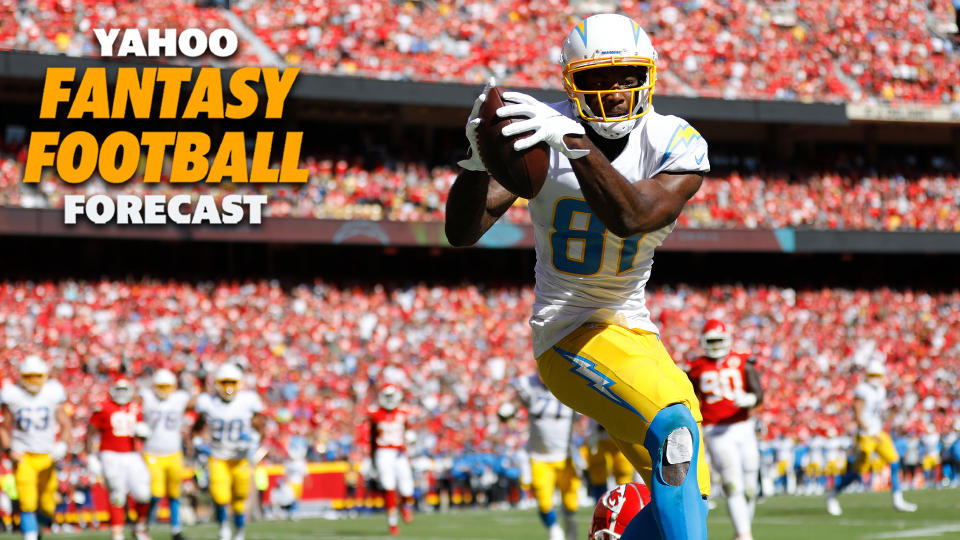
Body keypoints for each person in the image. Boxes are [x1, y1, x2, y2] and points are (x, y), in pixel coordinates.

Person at [446, 13, 711, 540]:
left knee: (690, 487)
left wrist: (573, 142)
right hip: (567, 330)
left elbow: (633, 215)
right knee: (675, 429)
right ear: (572, 83)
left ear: (649, 77)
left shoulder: (674, 141)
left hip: (633, 327)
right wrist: (477, 166)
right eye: (597, 79)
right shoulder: (545, 135)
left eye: (627, 77)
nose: (615, 92)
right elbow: (463, 231)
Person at [685, 319, 763, 540]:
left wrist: (749, 399)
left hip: (744, 428)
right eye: (712, 340)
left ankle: (743, 531)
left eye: (719, 339)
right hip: (716, 431)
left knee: (749, 488)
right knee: (732, 482)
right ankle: (743, 534)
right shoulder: (697, 367)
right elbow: (688, 396)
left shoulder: (742, 361)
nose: (716, 344)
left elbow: (759, 392)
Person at [825, 361, 917, 515]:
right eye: (872, 375)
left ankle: (897, 499)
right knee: (859, 472)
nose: (875, 378)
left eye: (877, 375)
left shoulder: (880, 390)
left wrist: (893, 412)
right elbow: (858, 413)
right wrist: (870, 432)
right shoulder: (862, 389)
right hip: (866, 435)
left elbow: (880, 416)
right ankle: (833, 494)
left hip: (878, 432)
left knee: (894, 461)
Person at [0, 356, 72, 540]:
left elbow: (65, 424)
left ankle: (37, 527)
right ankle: (30, 536)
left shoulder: (52, 393)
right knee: (27, 501)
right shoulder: (13, 395)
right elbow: (3, 426)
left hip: (47, 455)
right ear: (22, 376)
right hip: (23, 455)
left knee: (48, 505)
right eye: (29, 376)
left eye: (37, 376)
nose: (33, 381)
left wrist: (63, 445)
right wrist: (9, 450)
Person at [502, 373, 581, 540]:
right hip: (540, 457)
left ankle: (568, 520)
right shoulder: (530, 385)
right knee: (544, 502)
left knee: (571, 503)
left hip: (565, 456)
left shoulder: (570, 385)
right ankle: (553, 529)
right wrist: (508, 411)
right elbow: (514, 404)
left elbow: (582, 415)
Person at [192, 363, 266, 540]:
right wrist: (197, 439)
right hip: (218, 455)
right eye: (224, 382)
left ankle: (239, 532)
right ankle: (224, 526)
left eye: (232, 382)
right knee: (220, 495)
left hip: (239, 457)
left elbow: (259, 425)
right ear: (217, 383)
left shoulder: (247, 401)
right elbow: (199, 424)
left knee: (240, 498)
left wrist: (255, 440)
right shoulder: (208, 402)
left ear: (239, 383)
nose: (228, 387)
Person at [86, 377, 153, 540]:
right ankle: (118, 534)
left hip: (132, 454)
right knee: (117, 494)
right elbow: (90, 432)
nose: (122, 394)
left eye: (125, 390)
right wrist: (90, 456)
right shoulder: (103, 407)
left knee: (144, 494)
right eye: (119, 390)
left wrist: (143, 433)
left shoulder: (135, 407)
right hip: (110, 454)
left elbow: (141, 434)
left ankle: (140, 529)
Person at [141, 369, 195, 540]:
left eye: (167, 386)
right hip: (152, 453)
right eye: (161, 386)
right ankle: (144, 526)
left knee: (174, 493)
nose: (164, 390)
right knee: (154, 493)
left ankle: (176, 528)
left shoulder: (179, 398)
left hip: (174, 453)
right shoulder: (147, 397)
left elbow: (197, 402)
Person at [368, 383, 414, 536]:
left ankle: (406, 506)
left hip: (399, 452)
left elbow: (408, 432)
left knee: (407, 487)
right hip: (383, 452)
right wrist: (372, 460)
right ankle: (392, 522)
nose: (389, 399)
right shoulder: (375, 414)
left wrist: (410, 441)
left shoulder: (402, 413)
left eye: (391, 396)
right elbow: (372, 438)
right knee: (389, 486)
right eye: (386, 396)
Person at [583, 418, 636, 503]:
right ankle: (600, 503)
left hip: (619, 433)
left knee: (623, 471)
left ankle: (625, 502)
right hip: (597, 435)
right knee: (598, 471)